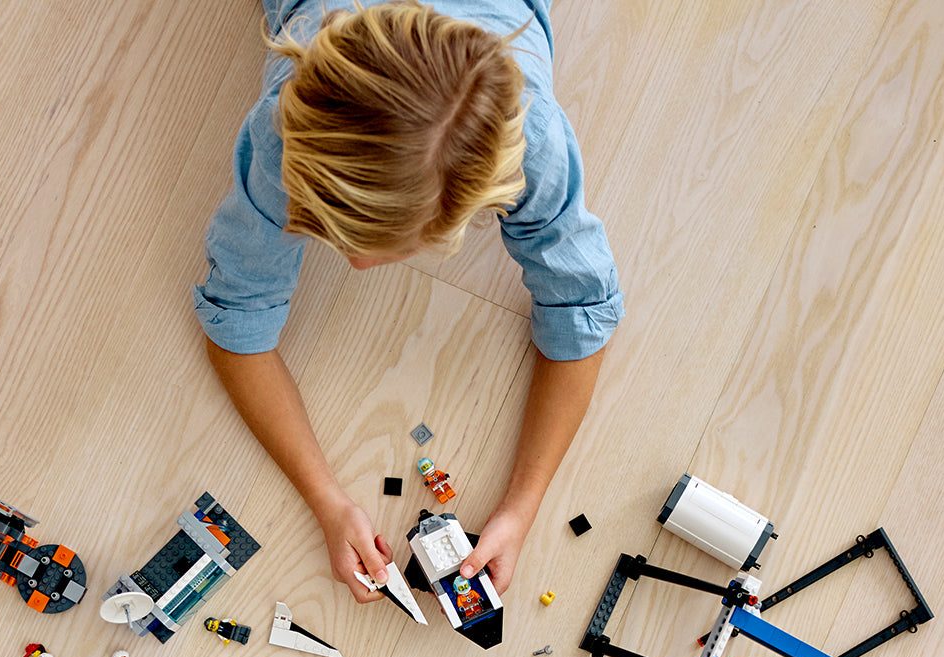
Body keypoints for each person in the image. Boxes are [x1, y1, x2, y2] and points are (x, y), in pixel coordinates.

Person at [194, 0, 623, 602]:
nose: (356, 264)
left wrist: (521, 509)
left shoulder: (534, 139)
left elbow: (583, 316)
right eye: (328, 228)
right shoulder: (282, 129)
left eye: (387, 247)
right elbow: (234, 326)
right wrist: (327, 500)